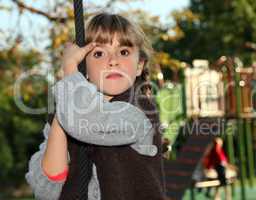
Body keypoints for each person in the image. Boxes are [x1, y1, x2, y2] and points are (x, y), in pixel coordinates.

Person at [26, 12, 166, 200]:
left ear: (139, 65)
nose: (113, 60)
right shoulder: (66, 111)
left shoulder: (139, 111)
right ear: (84, 67)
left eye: (123, 52)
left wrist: (69, 71)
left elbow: (88, 120)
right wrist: (61, 117)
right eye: (99, 53)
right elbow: (45, 190)